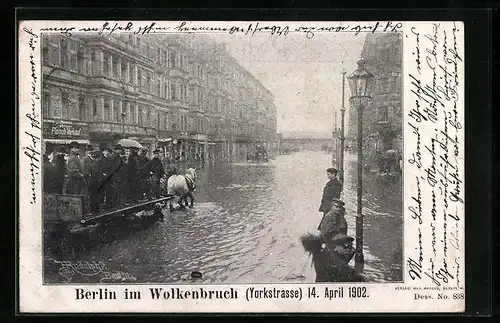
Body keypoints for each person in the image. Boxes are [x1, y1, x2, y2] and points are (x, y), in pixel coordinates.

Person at [301, 211, 364, 283]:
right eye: (345, 246)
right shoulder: (339, 266)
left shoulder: (321, 255)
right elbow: (351, 275)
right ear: (335, 248)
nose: (348, 249)